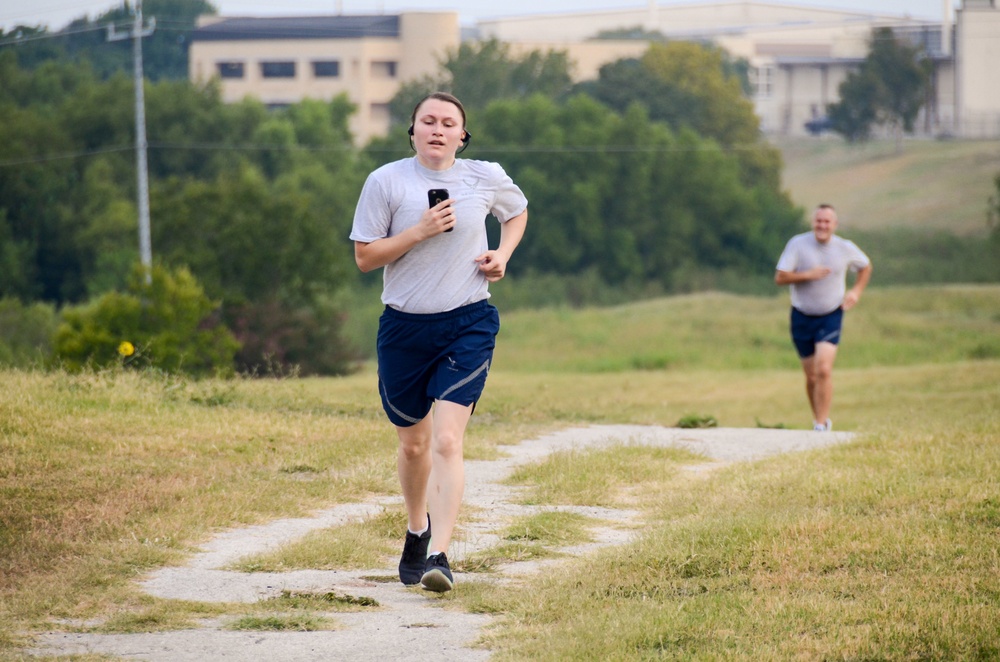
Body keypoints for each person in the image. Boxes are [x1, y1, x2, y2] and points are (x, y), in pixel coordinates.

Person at [349, 92, 528, 592]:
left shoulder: (484, 176)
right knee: (414, 446)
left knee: (448, 439)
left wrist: (503, 254)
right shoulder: (386, 181)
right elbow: (366, 258)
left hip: (467, 320)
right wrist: (420, 231)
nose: (438, 129)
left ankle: (441, 556)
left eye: (449, 123)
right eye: (428, 120)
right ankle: (416, 528)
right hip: (405, 327)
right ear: (412, 130)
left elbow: (517, 213)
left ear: (461, 136)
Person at [775, 203, 872, 432]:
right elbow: (780, 277)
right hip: (801, 315)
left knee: (824, 370)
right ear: (813, 222)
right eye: (819, 221)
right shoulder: (798, 244)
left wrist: (856, 292)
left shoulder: (845, 248)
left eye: (827, 222)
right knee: (810, 377)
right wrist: (808, 275)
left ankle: (821, 424)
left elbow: (865, 267)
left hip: (831, 313)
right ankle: (816, 417)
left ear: (835, 225)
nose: (822, 225)